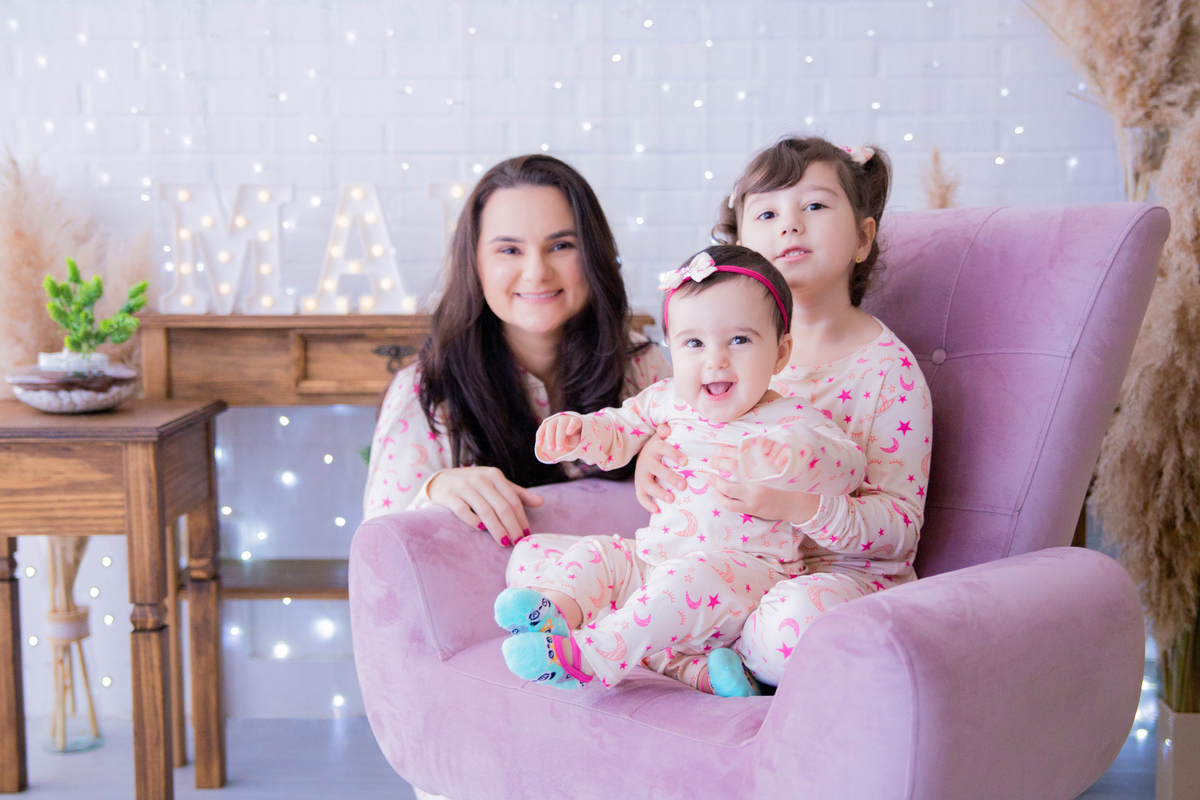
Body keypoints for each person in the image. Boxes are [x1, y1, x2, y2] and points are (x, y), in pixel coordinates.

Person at [494, 245, 866, 696]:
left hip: (743, 579)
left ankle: (596, 653)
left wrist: (791, 458)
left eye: (740, 340)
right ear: (673, 350)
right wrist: (581, 433)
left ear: (781, 352)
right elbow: (620, 430)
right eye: (694, 343)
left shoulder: (790, 420)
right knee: (600, 555)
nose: (715, 360)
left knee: (682, 580)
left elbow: (848, 467)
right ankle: (555, 616)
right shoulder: (667, 399)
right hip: (657, 563)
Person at [632, 137, 933, 687]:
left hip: (834, 580)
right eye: (768, 213)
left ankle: (711, 653)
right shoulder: (725, 355)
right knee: (576, 569)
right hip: (727, 564)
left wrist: (803, 507)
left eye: (815, 206)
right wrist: (652, 450)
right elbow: (678, 422)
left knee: (796, 623)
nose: (790, 225)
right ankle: (700, 653)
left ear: (863, 237)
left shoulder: (887, 373)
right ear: (741, 248)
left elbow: (900, 531)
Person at [362, 155, 671, 548]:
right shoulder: (427, 390)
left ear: (593, 254)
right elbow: (380, 554)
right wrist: (435, 490)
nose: (537, 272)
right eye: (509, 250)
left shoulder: (642, 370)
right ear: (474, 263)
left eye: (560, 245)